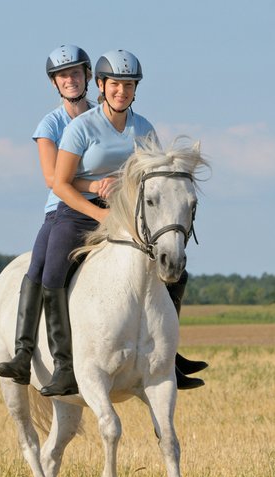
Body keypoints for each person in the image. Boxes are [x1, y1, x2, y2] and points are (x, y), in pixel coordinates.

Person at [39, 49, 207, 397]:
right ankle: (63, 365)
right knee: (54, 271)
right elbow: (61, 182)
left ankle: (167, 355)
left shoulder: (143, 127)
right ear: (101, 85)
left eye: (129, 85)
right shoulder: (80, 127)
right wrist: (98, 210)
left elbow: (154, 177)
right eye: (116, 84)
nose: (122, 91)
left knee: (174, 268)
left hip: (128, 213)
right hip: (82, 209)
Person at [0, 44, 98, 385]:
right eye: (63, 76)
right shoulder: (50, 123)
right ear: (55, 84)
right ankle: (24, 353)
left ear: (88, 76)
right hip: (62, 209)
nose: (70, 80)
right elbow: (52, 179)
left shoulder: (103, 116)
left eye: (76, 73)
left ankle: (167, 354)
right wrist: (96, 187)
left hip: (107, 209)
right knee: (38, 268)